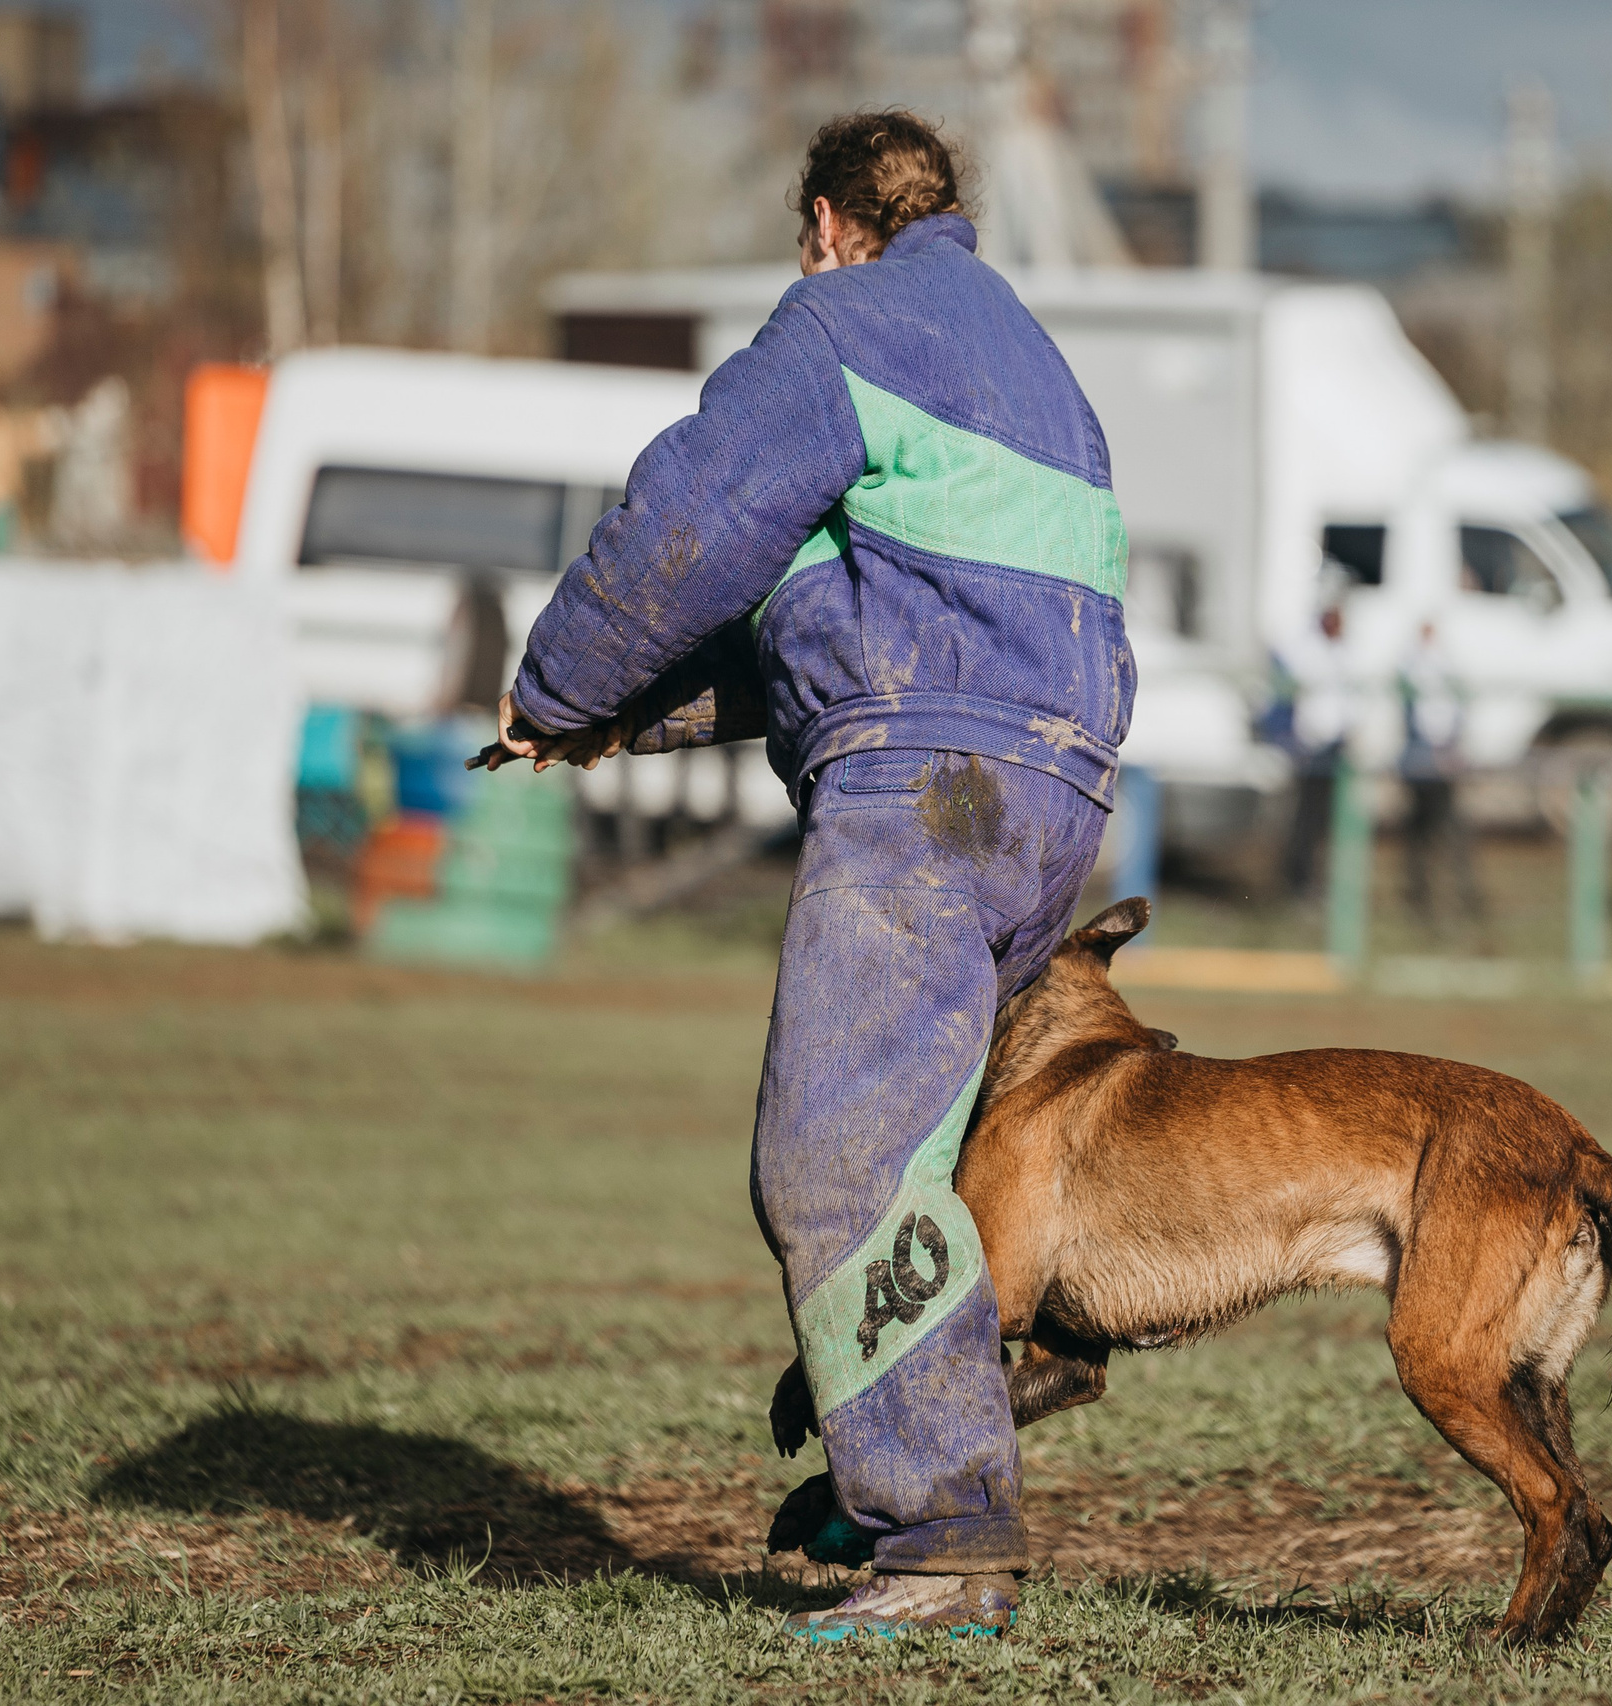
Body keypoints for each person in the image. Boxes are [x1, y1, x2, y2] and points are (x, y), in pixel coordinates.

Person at [491, 112, 1133, 1640]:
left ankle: (944, 1533)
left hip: (927, 789)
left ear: (832, 225)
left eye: (806, 241)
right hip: (1052, 796)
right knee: (913, 1148)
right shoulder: (1034, 364)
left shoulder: (844, 320)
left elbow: (692, 525)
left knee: (833, 1157)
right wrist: (634, 721)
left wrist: (557, 687)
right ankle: (946, 1397)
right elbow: (851, 618)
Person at [1397, 618, 1488, 938]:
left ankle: (1457, 893)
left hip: (1439, 764)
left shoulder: (1441, 669)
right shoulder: (1412, 670)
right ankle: (1425, 894)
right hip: (1422, 765)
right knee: (1424, 833)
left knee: (1446, 830)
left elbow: (1453, 716)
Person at [1273, 603, 1357, 901]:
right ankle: (1298, 882)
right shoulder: (1308, 651)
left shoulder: (1341, 653)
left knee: (1327, 823)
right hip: (1312, 748)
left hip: (1335, 747)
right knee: (1305, 821)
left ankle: (1318, 884)